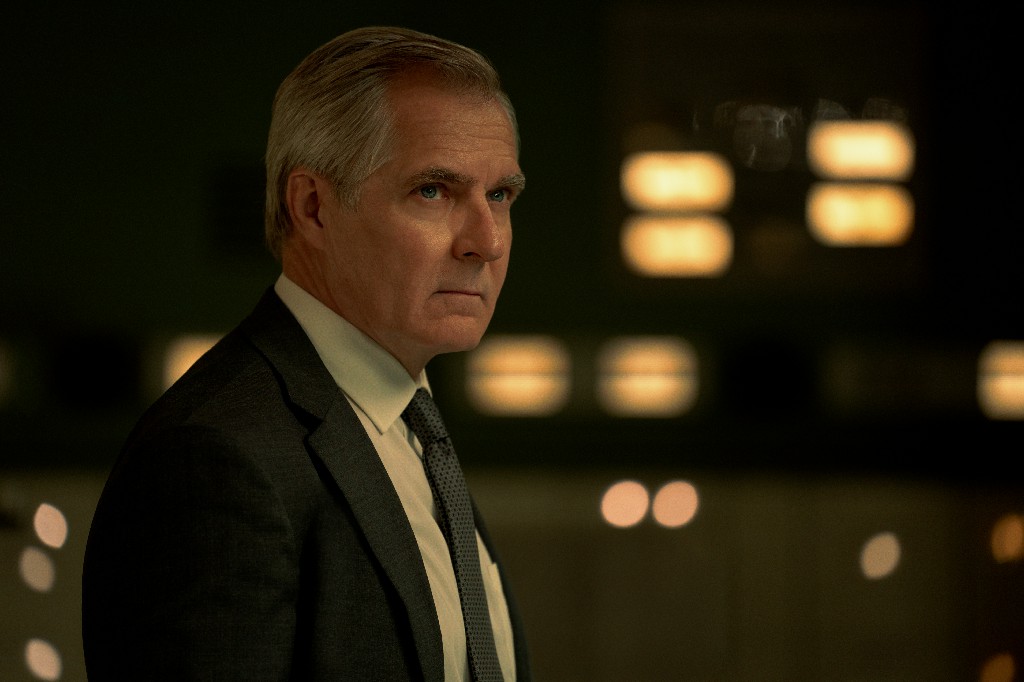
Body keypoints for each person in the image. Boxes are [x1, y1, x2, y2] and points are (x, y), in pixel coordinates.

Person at [82, 26, 529, 681]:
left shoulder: (413, 429)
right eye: (433, 191)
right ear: (313, 207)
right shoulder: (216, 457)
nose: (485, 242)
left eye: (499, 196)